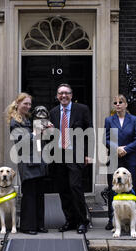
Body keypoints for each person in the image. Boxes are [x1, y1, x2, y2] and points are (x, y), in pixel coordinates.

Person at [49, 83, 93, 234]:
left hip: (75, 154)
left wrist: (88, 153)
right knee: (63, 190)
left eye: (67, 93)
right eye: (61, 93)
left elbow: (89, 132)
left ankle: (82, 221)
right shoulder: (53, 112)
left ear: (71, 95)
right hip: (58, 155)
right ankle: (70, 220)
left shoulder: (82, 109)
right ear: (57, 96)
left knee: (75, 187)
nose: (64, 96)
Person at [6, 93, 48, 235]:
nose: (28, 106)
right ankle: (27, 226)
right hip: (27, 162)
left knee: (39, 194)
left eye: (30, 104)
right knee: (29, 195)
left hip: (38, 160)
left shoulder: (28, 119)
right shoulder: (14, 121)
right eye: (25, 104)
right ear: (17, 104)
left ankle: (39, 225)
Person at [104, 94, 136, 230]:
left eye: (120, 102)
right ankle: (112, 220)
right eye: (115, 102)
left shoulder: (133, 120)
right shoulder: (109, 120)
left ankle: (134, 220)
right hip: (114, 157)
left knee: (131, 188)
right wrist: (116, 148)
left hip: (129, 157)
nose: (118, 104)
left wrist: (126, 149)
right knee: (112, 189)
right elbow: (106, 139)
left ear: (126, 104)